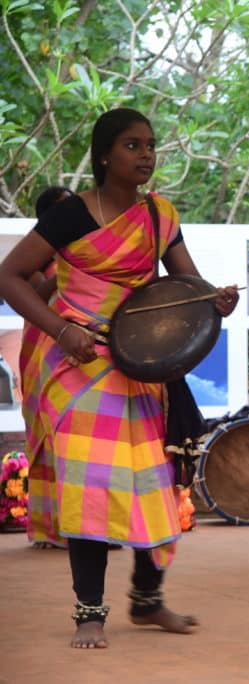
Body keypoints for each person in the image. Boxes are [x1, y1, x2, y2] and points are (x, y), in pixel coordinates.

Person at [0, 108, 239, 649]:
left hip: (140, 366)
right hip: (79, 363)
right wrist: (61, 331)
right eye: (133, 145)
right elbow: (9, 277)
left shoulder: (159, 216)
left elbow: (187, 285)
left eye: (151, 145)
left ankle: (147, 601)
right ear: (105, 154)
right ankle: (90, 612)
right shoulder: (69, 215)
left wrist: (215, 300)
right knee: (91, 485)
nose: (147, 155)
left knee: (154, 482)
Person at [22, 185, 74, 549]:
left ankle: (85, 527)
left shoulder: (87, 250)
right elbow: (37, 296)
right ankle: (50, 528)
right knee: (47, 436)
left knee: (75, 436)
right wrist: (68, 268)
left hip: (80, 352)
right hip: (42, 352)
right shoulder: (36, 256)